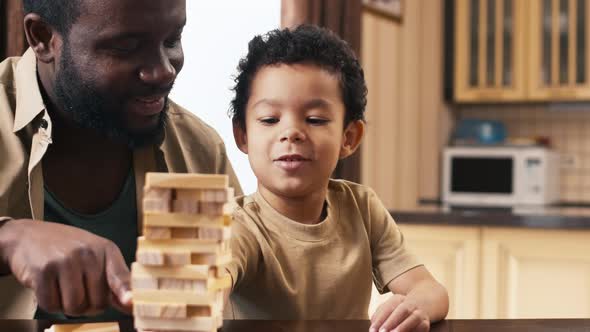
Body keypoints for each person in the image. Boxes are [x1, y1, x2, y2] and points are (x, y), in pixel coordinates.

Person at [0, 0, 241, 321]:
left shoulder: (200, 150)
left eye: (172, 40)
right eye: (126, 46)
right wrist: (11, 239)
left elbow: (248, 269)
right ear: (43, 37)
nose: (163, 71)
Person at [224, 25, 448, 331]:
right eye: (270, 119)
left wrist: (414, 306)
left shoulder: (362, 208)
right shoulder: (238, 225)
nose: (290, 132)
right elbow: (212, 282)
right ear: (243, 135)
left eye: (315, 119)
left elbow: (431, 291)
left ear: (349, 137)